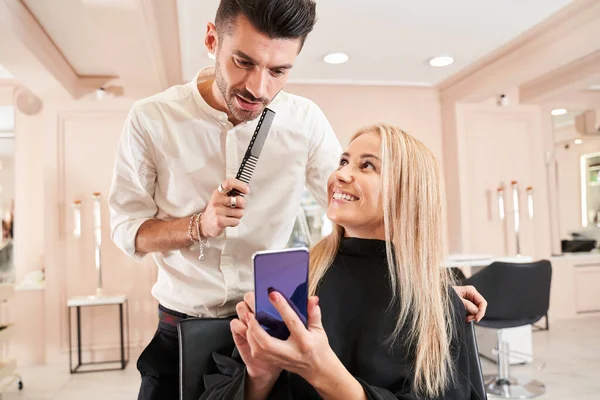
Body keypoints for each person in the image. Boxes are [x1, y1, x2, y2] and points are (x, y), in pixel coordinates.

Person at [107, 1, 487, 398]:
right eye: (243, 62)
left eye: (278, 71)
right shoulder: (152, 119)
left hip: (275, 319)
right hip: (181, 324)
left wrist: (427, 293)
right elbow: (127, 229)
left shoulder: (303, 121)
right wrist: (199, 225)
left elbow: (362, 203)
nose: (259, 88)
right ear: (211, 40)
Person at [201, 124, 477, 399]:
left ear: (406, 191)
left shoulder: (435, 304)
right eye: (343, 162)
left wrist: (326, 374)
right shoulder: (292, 279)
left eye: (367, 166)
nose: (341, 174)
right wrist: (259, 378)